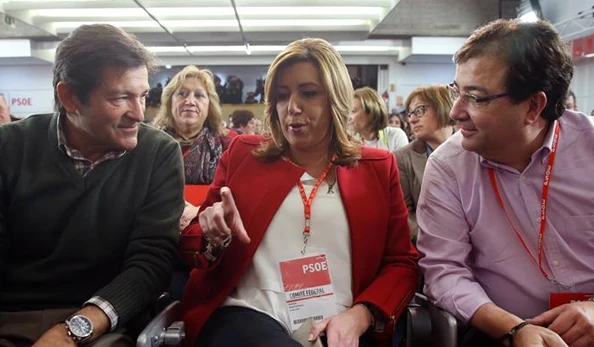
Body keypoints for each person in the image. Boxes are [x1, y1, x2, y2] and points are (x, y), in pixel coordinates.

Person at [179, 38, 419, 347]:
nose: (292, 107)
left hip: (339, 323)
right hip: (248, 316)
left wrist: (361, 316)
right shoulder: (244, 155)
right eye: (281, 95)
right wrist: (214, 236)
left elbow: (401, 263)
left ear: (336, 98)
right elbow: (194, 241)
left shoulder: (377, 167)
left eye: (308, 93)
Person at [417, 18, 594, 347]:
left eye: (476, 98)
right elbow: (444, 271)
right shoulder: (448, 166)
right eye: (457, 91)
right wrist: (514, 328)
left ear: (533, 106)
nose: (455, 111)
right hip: (500, 331)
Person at [0, 24, 184, 346]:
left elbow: (150, 265)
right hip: (11, 315)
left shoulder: (158, 154)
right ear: (69, 97)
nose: (139, 113)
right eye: (120, 98)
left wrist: (73, 330)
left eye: (143, 95)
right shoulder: (9, 147)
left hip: (104, 322)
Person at [153, 65, 237, 228]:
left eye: (199, 95)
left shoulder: (231, 143)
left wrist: (200, 212)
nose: (190, 101)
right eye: (181, 94)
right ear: (170, 102)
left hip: (209, 231)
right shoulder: (148, 143)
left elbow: (241, 196)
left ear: (209, 105)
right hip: (156, 230)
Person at [393, 85, 455, 241]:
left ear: (443, 106)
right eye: (410, 113)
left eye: (419, 110)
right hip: (428, 245)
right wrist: (436, 240)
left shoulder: (473, 149)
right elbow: (405, 214)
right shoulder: (402, 157)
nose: (412, 119)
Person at [350, 87, 408, 152]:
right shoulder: (349, 141)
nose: (349, 117)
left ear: (371, 112)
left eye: (353, 111)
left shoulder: (396, 136)